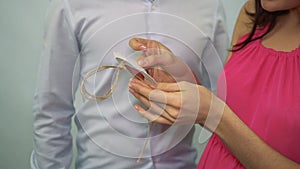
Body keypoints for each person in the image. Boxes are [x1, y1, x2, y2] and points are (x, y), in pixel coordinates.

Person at [30, 0, 228, 169]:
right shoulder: (72, 5)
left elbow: (225, 100)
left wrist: (184, 83)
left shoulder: (209, 6)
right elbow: (52, 107)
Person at [128, 0, 300, 168]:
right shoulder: (254, 14)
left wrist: (212, 113)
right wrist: (180, 77)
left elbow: (219, 117)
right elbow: (234, 112)